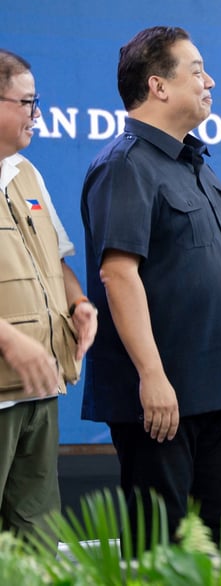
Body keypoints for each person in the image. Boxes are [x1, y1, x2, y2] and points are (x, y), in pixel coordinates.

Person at [80, 27, 221, 550]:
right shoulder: (125, 166)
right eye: (196, 70)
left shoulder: (196, 166)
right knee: (160, 550)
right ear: (158, 86)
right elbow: (118, 274)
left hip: (212, 392)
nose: (209, 81)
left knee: (212, 545)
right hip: (159, 398)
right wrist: (152, 375)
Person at [0, 48, 97, 547]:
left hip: (40, 391)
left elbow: (55, 260)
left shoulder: (27, 174)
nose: (36, 114)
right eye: (27, 102)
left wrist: (79, 304)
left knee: (36, 539)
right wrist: (9, 342)